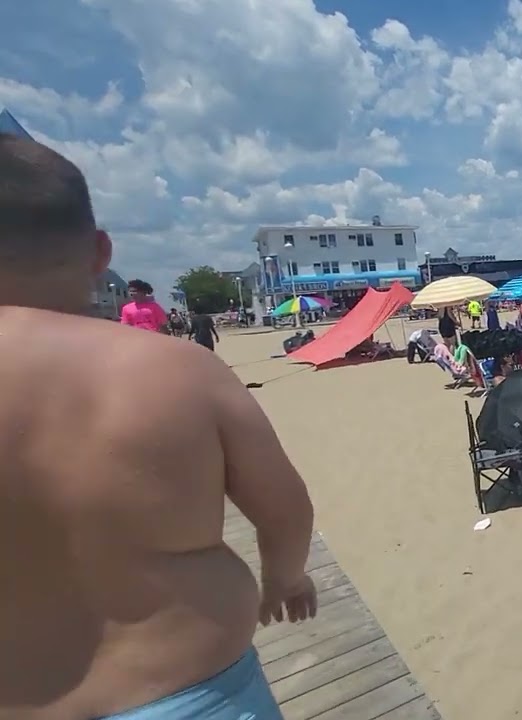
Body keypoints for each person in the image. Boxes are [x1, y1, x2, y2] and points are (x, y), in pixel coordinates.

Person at [0, 136, 316, 719]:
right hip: (191, 691)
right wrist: (286, 577)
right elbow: (286, 508)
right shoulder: (177, 370)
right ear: (100, 252)